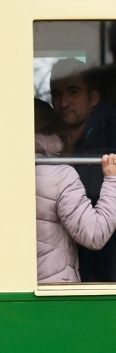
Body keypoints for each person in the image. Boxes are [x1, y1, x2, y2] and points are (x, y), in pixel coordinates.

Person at [34, 98, 116, 283]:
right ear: (54, 132)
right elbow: (94, 234)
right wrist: (112, 179)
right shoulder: (60, 176)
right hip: (52, 297)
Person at [50, 58, 116, 281]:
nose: (63, 102)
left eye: (73, 91)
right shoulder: (51, 141)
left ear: (94, 97)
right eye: (56, 93)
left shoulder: (110, 136)